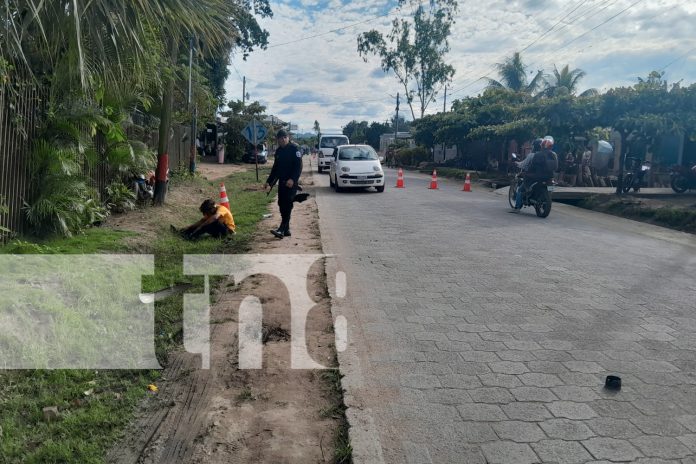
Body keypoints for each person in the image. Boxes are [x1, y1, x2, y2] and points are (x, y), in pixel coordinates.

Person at [265, 129, 302, 239]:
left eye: (285, 137)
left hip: (291, 183)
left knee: (287, 205)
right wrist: (269, 182)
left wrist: (293, 179)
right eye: (281, 138)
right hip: (282, 183)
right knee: (281, 204)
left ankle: (281, 229)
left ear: (288, 138)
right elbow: (275, 169)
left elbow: (298, 167)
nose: (283, 139)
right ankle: (287, 230)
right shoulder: (279, 151)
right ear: (278, 140)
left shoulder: (294, 149)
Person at [513, 136, 558, 210]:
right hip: (550, 177)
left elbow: (529, 166)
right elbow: (556, 167)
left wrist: (524, 171)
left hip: (536, 177)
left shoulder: (534, 155)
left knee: (520, 189)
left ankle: (517, 207)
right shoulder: (554, 154)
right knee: (551, 188)